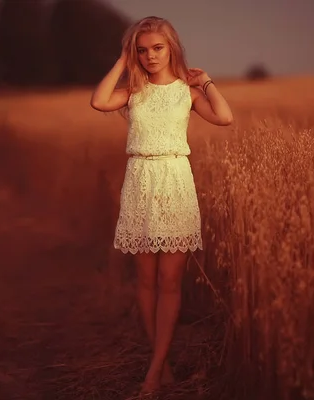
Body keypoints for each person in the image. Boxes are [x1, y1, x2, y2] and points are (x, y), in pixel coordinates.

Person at [90, 16, 233, 395]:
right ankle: (162, 361)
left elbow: (225, 117)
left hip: (174, 180)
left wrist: (205, 81)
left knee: (170, 283)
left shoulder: (186, 91)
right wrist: (123, 61)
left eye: (157, 48)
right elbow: (98, 100)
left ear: (172, 48)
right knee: (146, 281)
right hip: (139, 180)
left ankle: (153, 373)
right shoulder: (133, 90)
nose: (150, 56)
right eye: (142, 50)